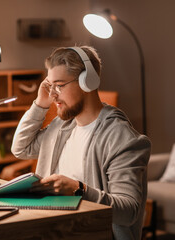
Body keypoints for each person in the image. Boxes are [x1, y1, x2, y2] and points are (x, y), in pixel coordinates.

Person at [11, 46, 151, 240]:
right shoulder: (61, 127)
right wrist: (39, 104)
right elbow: (21, 148)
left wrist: (79, 190)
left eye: (59, 85)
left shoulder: (120, 138)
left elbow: (129, 211)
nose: (53, 95)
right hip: (51, 229)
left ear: (88, 82)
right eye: (50, 86)